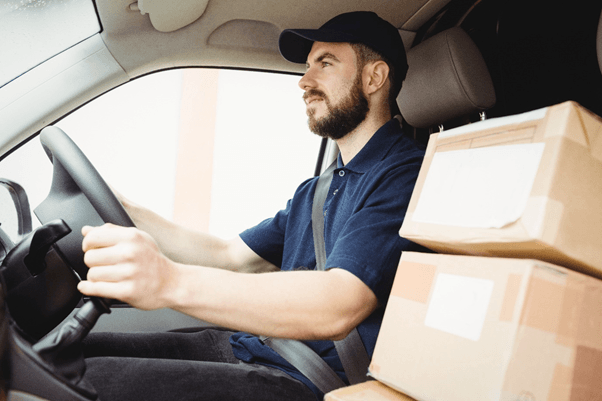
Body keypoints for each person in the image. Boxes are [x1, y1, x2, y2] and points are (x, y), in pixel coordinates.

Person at [79, 11, 426, 401]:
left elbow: (340, 302)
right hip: (251, 349)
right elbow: (230, 255)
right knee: (70, 357)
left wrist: (168, 281)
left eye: (324, 64)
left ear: (374, 78)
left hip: (302, 379)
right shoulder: (318, 188)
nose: (304, 81)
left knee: (82, 382)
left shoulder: (406, 176)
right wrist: (122, 208)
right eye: (307, 66)